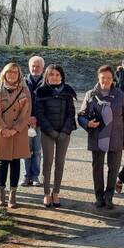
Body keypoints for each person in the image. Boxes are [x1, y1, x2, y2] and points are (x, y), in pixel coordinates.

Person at [78, 65, 124, 209]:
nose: (106, 81)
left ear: (112, 78)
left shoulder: (120, 95)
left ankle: (109, 197)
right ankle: (98, 196)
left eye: (108, 78)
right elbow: (81, 115)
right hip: (97, 137)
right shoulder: (90, 94)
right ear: (98, 78)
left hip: (116, 138)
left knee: (113, 169)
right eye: (103, 78)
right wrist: (87, 123)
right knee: (97, 168)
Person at [0, 63, 31, 209]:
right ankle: (1, 195)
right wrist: (3, 128)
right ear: (4, 73)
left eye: (15, 72)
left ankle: (13, 194)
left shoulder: (25, 91)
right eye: (9, 72)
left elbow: (26, 113)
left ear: (19, 74)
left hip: (18, 133)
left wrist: (15, 129)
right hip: (2, 133)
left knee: (15, 163)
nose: (12, 74)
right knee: (2, 162)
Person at [35, 64, 77, 208]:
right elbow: (39, 114)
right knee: (47, 162)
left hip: (64, 132)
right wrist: (51, 131)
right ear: (46, 76)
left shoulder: (67, 92)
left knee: (60, 163)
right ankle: (46, 193)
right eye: (51, 74)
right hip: (48, 132)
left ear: (62, 76)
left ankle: (56, 192)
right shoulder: (41, 92)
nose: (54, 77)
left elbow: (71, 113)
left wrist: (65, 131)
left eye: (57, 75)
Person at [21, 56, 45, 187]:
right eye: (33, 66)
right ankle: (25, 176)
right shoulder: (22, 82)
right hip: (25, 123)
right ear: (29, 67)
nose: (35, 69)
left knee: (37, 151)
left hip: (39, 124)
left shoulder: (47, 83)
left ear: (43, 68)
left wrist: (37, 119)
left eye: (38, 66)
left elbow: (47, 105)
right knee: (24, 151)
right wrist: (27, 118)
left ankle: (35, 176)